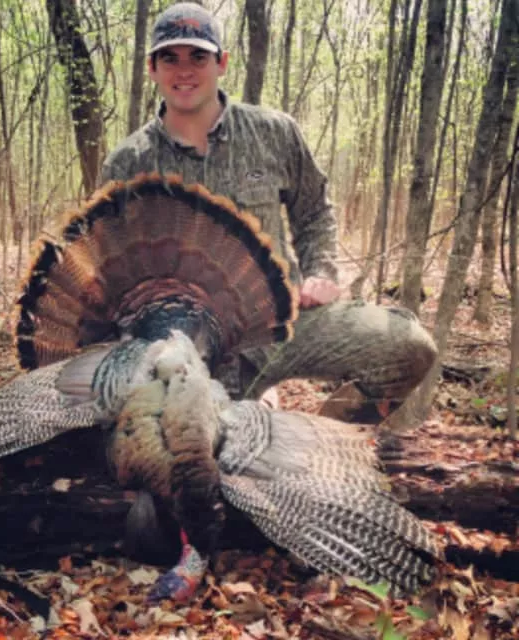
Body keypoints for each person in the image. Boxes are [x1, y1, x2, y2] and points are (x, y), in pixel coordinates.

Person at [101, 2, 436, 423]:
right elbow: (111, 268)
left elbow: (314, 211)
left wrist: (320, 272)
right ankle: (248, 413)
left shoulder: (273, 132)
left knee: (408, 346)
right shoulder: (128, 162)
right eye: (170, 58)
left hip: (280, 324)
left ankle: (327, 440)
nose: (184, 70)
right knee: (192, 444)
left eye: (198, 57)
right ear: (152, 68)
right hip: (182, 345)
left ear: (222, 63)